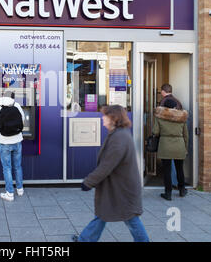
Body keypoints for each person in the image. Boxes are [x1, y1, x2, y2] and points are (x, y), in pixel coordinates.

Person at [72, 105, 149, 242]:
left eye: (105, 116)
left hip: (123, 189)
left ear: (113, 118)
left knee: (131, 218)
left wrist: (89, 182)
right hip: (119, 186)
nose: (102, 118)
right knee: (103, 213)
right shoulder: (118, 134)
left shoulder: (119, 138)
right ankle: (85, 239)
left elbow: (107, 165)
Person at [0, 90, 25, 202]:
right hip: (17, 140)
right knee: (18, 166)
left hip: (4, 143)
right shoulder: (17, 105)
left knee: (7, 168)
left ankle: (9, 193)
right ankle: (20, 189)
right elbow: (22, 121)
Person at [153, 99, 189, 201]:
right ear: (175, 106)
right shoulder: (181, 118)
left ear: (165, 107)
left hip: (165, 145)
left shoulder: (160, 118)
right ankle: (182, 190)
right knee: (179, 169)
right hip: (179, 145)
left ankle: (168, 193)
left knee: (167, 171)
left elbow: (155, 131)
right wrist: (185, 148)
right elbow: (186, 135)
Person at [160, 83, 182, 189]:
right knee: (178, 166)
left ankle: (171, 186)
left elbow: (159, 125)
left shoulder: (164, 102)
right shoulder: (178, 102)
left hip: (166, 141)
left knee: (169, 166)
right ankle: (180, 186)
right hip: (179, 142)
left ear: (163, 91)